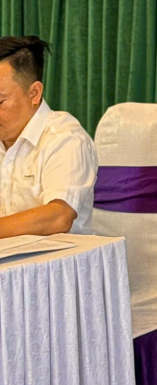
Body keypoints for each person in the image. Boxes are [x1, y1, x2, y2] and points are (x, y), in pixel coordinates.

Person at [0, 35, 98, 236]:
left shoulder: (65, 138)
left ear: (34, 93)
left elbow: (59, 216)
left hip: (58, 255)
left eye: (0, 102)